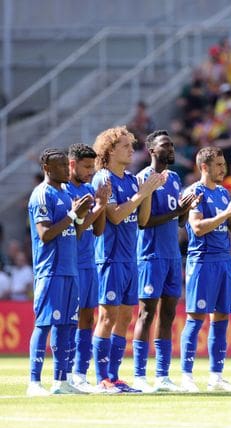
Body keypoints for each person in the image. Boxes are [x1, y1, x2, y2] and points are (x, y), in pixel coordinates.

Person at [91, 126, 166, 393]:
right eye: (125, 146)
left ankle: (114, 376)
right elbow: (115, 216)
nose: (131, 150)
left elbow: (142, 220)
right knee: (107, 317)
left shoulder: (133, 180)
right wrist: (142, 194)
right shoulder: (102, 178)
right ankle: (102, 379)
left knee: (124, 318)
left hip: (129, 259)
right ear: (109, 151)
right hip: (109, 258)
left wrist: (147, 192)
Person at [179, 146, 231, 393]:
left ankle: (216, 375)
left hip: (224, 261)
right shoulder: (194, 192)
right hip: (202, 261)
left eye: (224, 164)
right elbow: (198, 227)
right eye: (219, 165)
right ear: (204, 167)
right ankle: (186, 376)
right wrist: (226, 213)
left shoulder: (223, 193)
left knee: (221, 317)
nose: (224, 169)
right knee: (195, 317)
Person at [132, 131, 198, 393]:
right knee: (147, 313)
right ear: (151, 150)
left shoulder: (173, 178)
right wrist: (178, 211)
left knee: (169, 315)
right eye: (165, 145)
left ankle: (162, 375)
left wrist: (186, 208)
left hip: (172, 255)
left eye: (172, 144)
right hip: (150, 254)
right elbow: (144, 221)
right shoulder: (143, 179)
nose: (171, 148)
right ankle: (139, 375)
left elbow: (178, 220)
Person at [27, 148, 93, 396]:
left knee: (67, 326)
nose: (67, 169)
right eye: (62, 166)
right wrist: (73, 214)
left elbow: (73, 235)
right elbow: (45, 234)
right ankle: (34, 382)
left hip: (70, 269)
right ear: (47, 168)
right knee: (44, 324)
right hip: (50, 270)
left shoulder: (66, 194)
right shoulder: (42, 195)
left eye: (67, 165)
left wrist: (83, 216)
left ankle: (61, 381)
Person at [65, 144, 110, 393]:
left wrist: (100, 204)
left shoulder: (90, 189)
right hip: (69, 263)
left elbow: (98, 230)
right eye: (85, 167)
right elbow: (78, 227)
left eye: (92, 167)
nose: (90, 172)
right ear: (72, 164)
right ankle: (67, 372)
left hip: (88, 261)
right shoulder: (64, 190)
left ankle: (81, 373)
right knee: (70, 319)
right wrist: (99, 206)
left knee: (87, 317)